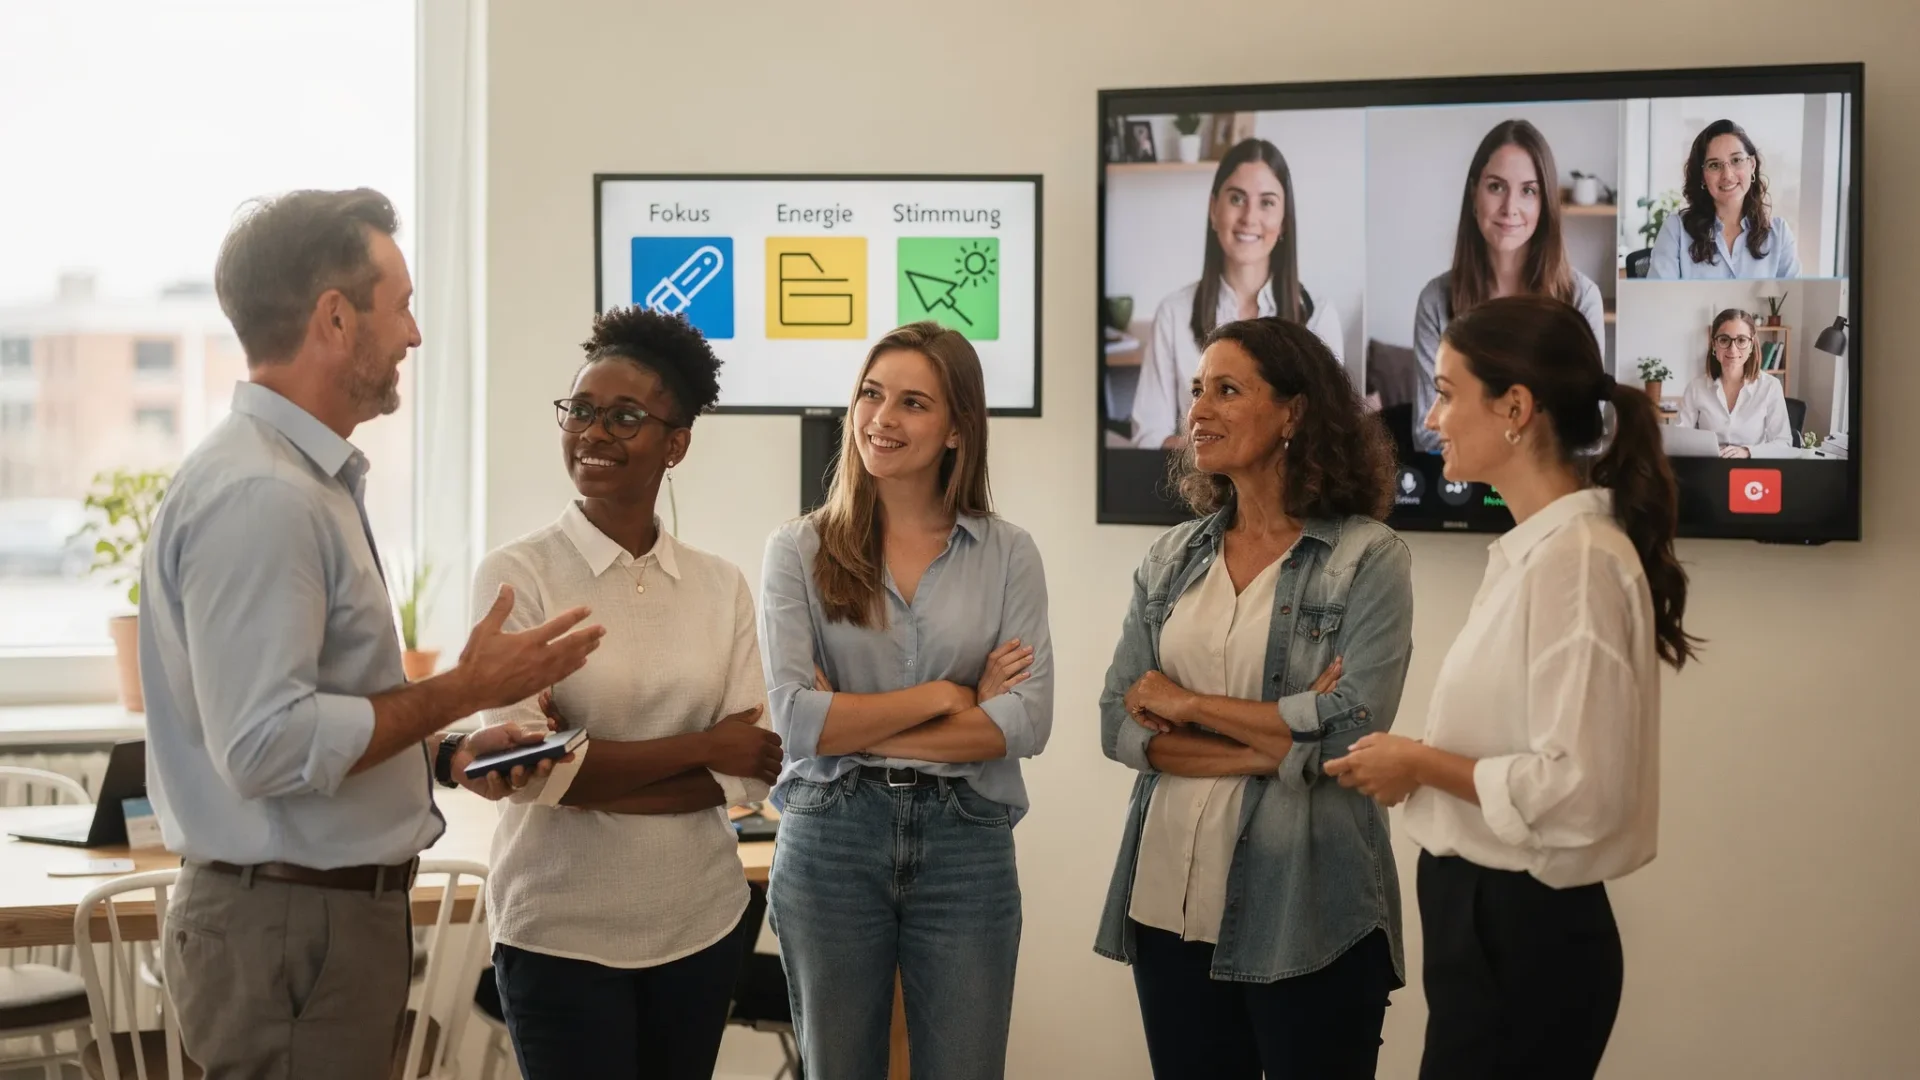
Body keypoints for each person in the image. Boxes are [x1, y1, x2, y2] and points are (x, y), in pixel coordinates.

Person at [141, 188, 604, 1079]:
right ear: (335, 316)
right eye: (402, 308)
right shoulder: (264, 498)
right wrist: (462, 688)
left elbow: (317, 709)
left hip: (308, 928)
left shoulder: (297, 482)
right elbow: (267, 747)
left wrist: (444, 752)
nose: (414, 336)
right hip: (292, 932)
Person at [1327, 295, 1700, 1079]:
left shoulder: (1579, 561)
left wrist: (1420, 765)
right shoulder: (1540, 554)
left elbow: (1580, 789)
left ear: (1516, 409)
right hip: (1488, 933)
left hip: (1521, 936)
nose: (1429, 419)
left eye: (1446, 391)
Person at [1095, 316, 1413, 1080]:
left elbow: (1348, 741)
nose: (1198, 410)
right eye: (1198, 390)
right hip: (1169, 897)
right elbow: (1117, 720)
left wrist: (1186, 702)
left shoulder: (1368, 558)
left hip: (1308, 909)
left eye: (1227, 391)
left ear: (1294, 414)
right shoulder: (1172, 557)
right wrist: (1277, 739)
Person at [474, 308, 785, 1080]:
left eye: (624, 416)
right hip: (557, 929)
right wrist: (700, 750)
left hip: (701, 923)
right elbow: (536, 777)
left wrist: (596, 771)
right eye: (580, 409)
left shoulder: (720, 586)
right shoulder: (519, 577)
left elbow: (749, 771)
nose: (593, 432)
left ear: (676, 443)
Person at [760, 321, 1053, 1079]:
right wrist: (950, 697)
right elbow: (795, 722)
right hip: (831, 837)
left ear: (958, 429)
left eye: (913, 403)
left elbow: (1025, 722)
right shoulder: (798, 550)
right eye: (870, 394)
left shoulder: (1009, 552)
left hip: (968, 841)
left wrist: (851, 724)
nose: (881, 419)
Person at [1130, 138, 1346, 449]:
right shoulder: (1173, 314)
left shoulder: (1320, 317)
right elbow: (1148, 436)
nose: (1249, 217)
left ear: (1284, 221)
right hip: (1197, 493)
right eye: (1236, 199)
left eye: (1267, 202)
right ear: (1213, 209)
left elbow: (1330, 438)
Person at [1411, 119, 1607, 453]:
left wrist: (1477, 426)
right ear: (1474, 193)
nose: (1509, 208)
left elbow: (1585, 434)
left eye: (1528, 191)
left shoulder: (1581, 298)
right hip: (1462, 497)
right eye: (1496, 187)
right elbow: (1427, 433)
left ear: (1544, 204)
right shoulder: (1436, 300)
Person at [1649, 119, 1800, 280]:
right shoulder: (1676, 231)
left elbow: (1795, 302)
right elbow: (1659, 301)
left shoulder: (1779, 234)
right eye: (1714, 165)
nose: (1727, 175)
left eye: (1736, 160)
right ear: (1702, 177)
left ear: (1752, 165)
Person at [1676, 307, 1793, 457]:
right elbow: (1680, 439)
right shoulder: (1696, 387)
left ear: (1751, 345)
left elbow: (1784, 443)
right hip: (1709, 468)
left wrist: (1747, 451)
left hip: (1752, 472)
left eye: (1741, 340)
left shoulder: (1770, 386)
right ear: (1714, 344)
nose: (1732, 349)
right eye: (1724, 340)